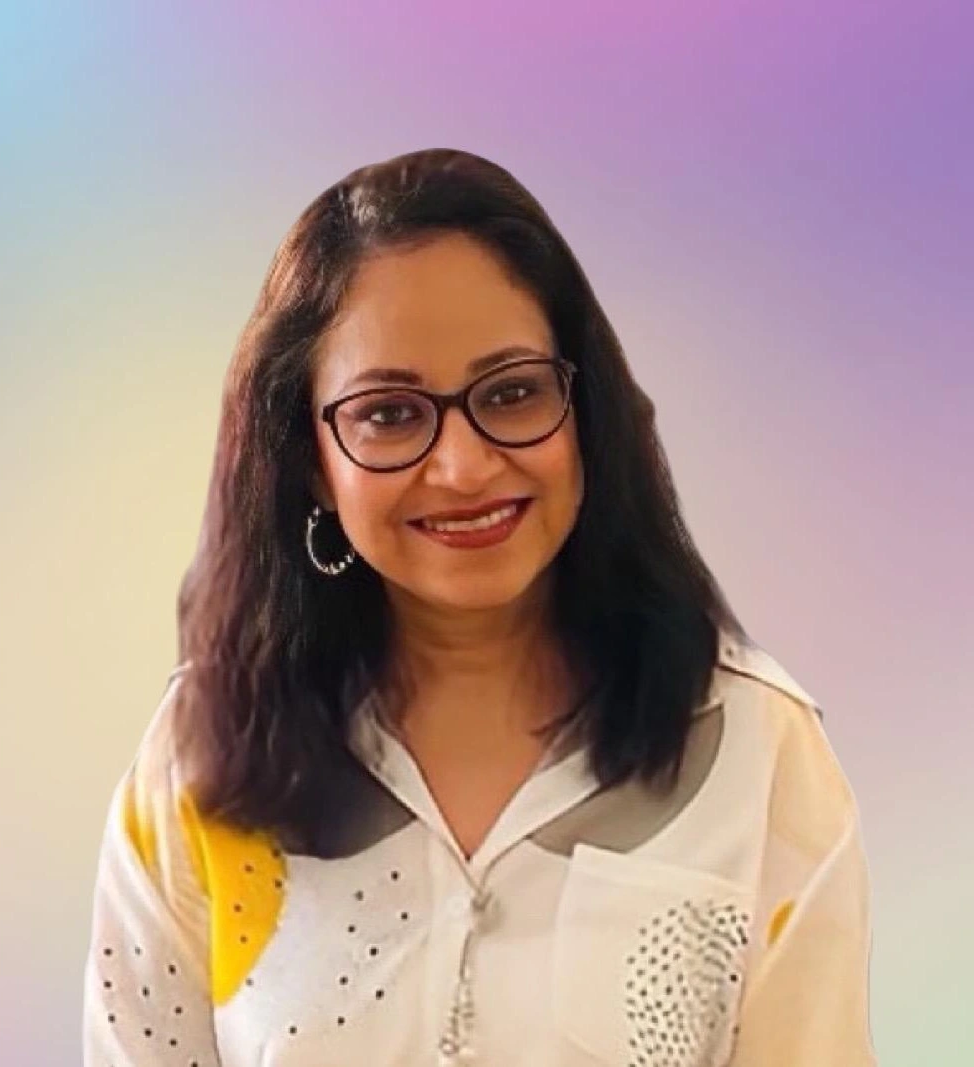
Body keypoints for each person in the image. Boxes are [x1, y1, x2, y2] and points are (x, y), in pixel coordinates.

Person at [82, 148, 877, 1066]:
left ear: (584, 412)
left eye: (511, 393)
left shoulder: (757, 748)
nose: (462, 468)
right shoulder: (197, 761)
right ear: (311, 460)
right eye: (389, 413)